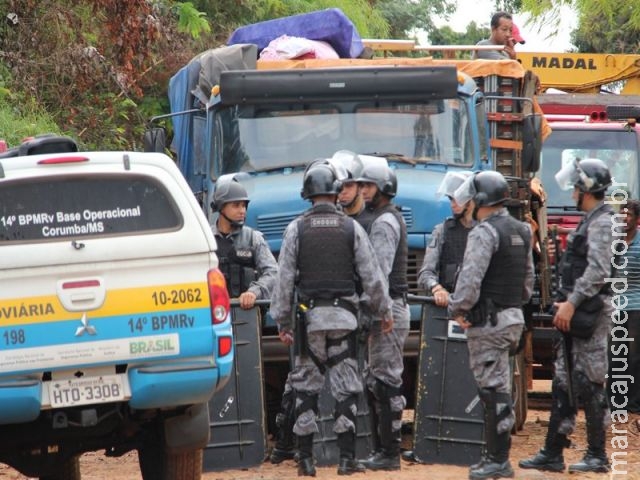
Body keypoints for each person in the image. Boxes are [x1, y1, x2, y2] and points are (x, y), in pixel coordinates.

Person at [269, 161, 394, 477]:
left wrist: (283, 322)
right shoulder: (351, 228)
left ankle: (306, 462)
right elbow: (372, 276)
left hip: (308, 321)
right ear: (337, 193)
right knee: (346, 388)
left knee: (305, 388)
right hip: (344, 319)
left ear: (307, 195)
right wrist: (384, 311)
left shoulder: (295, 228)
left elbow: (283, 280)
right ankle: (347, 461)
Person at [519, 158, 613, 474]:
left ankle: (598, 456)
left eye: (576, 185)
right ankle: (553, 452)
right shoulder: (592, 220)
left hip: (589, 315)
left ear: (586, 188)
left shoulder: (600, 223)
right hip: (575, 314)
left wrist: (571, 303)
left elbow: (598, 271)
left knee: (590, 384)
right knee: (564, 382)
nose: (572, 191)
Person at [448, 170, 534, 480]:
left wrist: (457, 308)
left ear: (479, 200)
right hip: (512, 318)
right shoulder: (523, 230)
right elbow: (527, 283)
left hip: (488, 321)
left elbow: (469, 281)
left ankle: (498, 460)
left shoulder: (484, 233)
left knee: (492, 389)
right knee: (499, 385)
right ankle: (496, 457)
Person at [356, 162, 410, 471]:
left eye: (368, 186)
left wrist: (377, 311)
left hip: (387, 309)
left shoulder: (384, 222)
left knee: (386, 382)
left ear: (383, 188)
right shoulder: (380, 217)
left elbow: (379, 273)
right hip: (385, 307)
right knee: (376, 381)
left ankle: (390, 454)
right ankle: (382, 451)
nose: (363, 191)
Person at [211, 174, 278, 310]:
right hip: (213, 312)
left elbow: (273, 272)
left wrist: (253, 292)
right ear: (221, 208)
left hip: (247, 314)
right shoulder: (205, 239)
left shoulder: (254, 238)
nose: (242, 211)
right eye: (236, 205)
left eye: (244, 206)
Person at [418, 171, 475, 306]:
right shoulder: (442, 230)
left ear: (471, 199)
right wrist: (437, 288)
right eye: (451, 199)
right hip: (449, 306)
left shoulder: (487, 232)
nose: (453, 204)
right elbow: (425, 273)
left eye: (458, 198)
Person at [615, 199, 640, 414]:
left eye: (629, 215)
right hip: (613, 306)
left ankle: (632, 402)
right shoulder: (613, 241)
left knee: (632, 355)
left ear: (637, 219)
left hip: (635, 305)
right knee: (614, 354)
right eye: (622, 214)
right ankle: (614, 401)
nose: (624, 218)